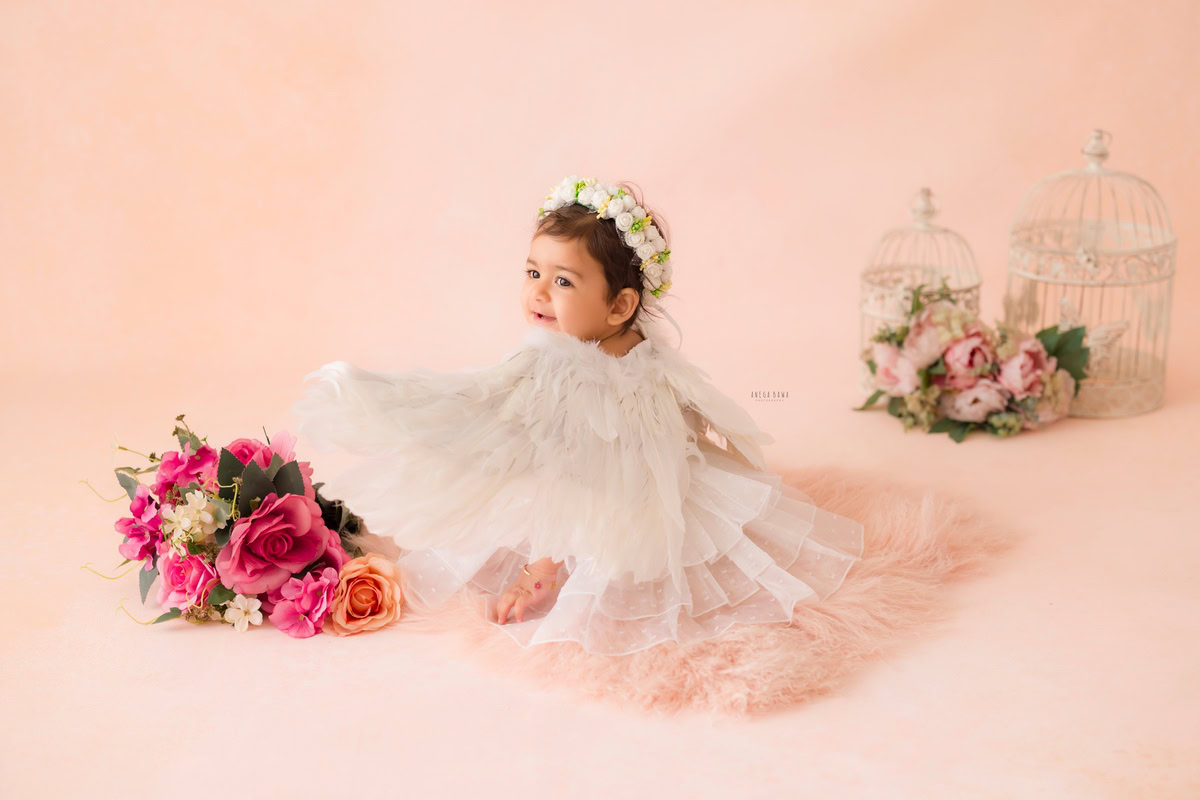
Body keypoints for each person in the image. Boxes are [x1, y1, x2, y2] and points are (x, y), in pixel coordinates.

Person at [291, 175, 865, 656]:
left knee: (655, 554)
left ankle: (559, 570)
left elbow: (664, 433)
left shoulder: (642, 362)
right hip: (578, 489)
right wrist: (387, 397)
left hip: (644, 495)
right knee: (529, 486)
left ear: (620, 306)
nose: (538, 293)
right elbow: (516, 434)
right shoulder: (556, 365)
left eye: (562, 281)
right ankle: (543, 568)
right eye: (532, 272)